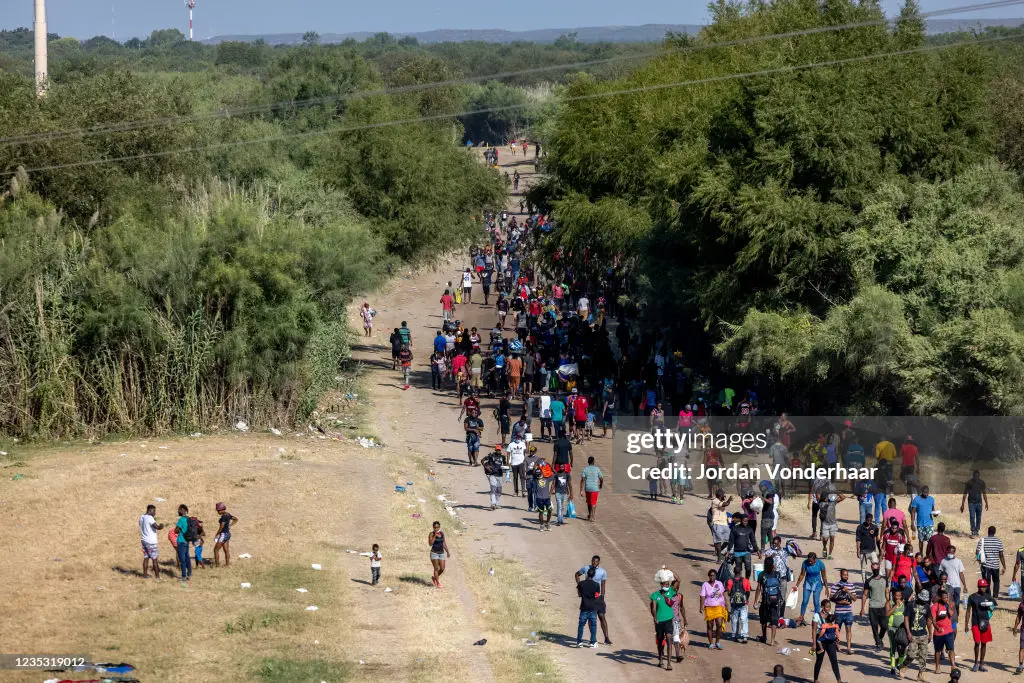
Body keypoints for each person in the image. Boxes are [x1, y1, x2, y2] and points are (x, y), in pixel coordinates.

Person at [575, 556, 612, 644]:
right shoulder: (586, 568)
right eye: (593, 561)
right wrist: (580, 585)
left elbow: (603, 584)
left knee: (602, 616)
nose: (594, 563)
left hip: (598, 597)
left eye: (596, 562)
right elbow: (577, 574)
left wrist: (602, 596)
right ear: (591, 561)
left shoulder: (602, 571)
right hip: (589, 598)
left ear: (599, 562)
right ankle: (593, 639)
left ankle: (606, 638)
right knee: (590, 618)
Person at [964, 578, 995, 672]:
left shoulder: (988, 597)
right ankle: (976, 663)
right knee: (977, 643)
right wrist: (966, 624)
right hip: (975, 623)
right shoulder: (972, 597)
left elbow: (993, 607)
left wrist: (990, 607)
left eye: (984, 587)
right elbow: (968, 611)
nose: (983, 588)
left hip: (985, 623)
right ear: (978, 587)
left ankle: (981, 664)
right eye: (981, 587)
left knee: (984, 643)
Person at [652, 568, 680, 669]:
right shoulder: (655, 595)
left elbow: (678, 580)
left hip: (669, 621)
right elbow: (653, 608)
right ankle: (660, 659)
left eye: (668, 583)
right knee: (660, 643)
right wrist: (655, 618)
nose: (667, 585)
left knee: (669, 639)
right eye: (665, 583)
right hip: (659, 622)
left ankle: (668, 663)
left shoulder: (671, 592)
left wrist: (669, 571)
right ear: (661, 584)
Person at [754, 556, 784, 646]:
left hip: (765, 601)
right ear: (773, 565)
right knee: (774, 620)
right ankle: (772, 640)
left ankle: (764, 637)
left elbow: (759, 588)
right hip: (775, 600)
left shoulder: (762, 574)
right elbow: (780, 586)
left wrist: (755, 601)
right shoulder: (778, 574)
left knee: (763, 619)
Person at [811, 599, 843, 682]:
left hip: (830, 640)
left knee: (834, 660)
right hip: (821, 639)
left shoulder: (831, 614)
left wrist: (836, 639)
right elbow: (814, 630)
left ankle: (839, 680)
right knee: (819, 660)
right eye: (827, 607)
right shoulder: (816, 616)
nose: (828, 609)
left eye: (829, 607)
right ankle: (815, 680)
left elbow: (833, 627)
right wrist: (814, 644)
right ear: (822, 607)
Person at [795, 551, 829, 626]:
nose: (810, 562)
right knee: (805, 601)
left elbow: (824, 576)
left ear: (815, 559)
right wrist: (796, 585)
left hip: (817, 584)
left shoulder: (820, 564)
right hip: (807, 583)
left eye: (811, 561)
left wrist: (826, 587)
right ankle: (801, 618)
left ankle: (816, 620)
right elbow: (802, 575)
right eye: (809, 561)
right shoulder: (805, 563)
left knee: (816, 602)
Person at [860, 562, 888, 651]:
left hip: (883, 606)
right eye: (874, 569)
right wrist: (862, 608)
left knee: (884, 626)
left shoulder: (884, 579)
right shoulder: (869, 581)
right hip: (873, 607)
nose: (876, 571)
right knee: (874, 626)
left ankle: (879, 638)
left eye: (877, 569)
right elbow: (865, 595)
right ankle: (879, 643)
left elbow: (887, 592)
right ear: (872, 570)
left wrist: (889, 604)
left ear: (879, 569)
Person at [905, 589, 932, 682]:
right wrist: (908, 632)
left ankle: (921, 674)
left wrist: (930, 633)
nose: (924, 601)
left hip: (923, 634)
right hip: (913, 634)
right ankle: (904, 665)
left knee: (923, 656)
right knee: (911, 655)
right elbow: (906, 618)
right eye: (922, 599)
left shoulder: (927, 607)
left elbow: (928, 620)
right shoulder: (911, 605)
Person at [830, 569, 857, 654]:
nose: (846, 576)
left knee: (848, 629)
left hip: (848, 611)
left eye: (847, 575)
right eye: (844, 575)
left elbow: (855, 598)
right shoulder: (835, 586)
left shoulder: (851, 586)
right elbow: (831, 598)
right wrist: (840, 602)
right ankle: (836, 646)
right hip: (838, 611)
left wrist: (847, 591)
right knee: (837, 630)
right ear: (840, 575)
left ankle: (848, 647)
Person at [930, 588, 957, 674]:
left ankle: (953, 665)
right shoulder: (934, 607)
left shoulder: (948, 605)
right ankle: (937, 667)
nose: (946, 599)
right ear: (940, 598)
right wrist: (937, 628)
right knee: (938, 651)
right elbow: (933, 620)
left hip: (949, 632)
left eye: (947, 597)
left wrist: (948, 605)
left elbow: (951, 614)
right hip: (938, 633)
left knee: (951, 649)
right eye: (944, 598)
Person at [726, 513, 761, 579]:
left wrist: (757, 551)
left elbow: (753, 541)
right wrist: (728, 551)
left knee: (748, 568)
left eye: (747, 521)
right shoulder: (735, 529)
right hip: (737, 553)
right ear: (741, 520)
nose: (746, 522)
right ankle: (739, 583)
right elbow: (731, 541)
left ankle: (746, 581)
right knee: (738, 569)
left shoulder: (749, 529)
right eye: (744, 521)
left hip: (747, 552)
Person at [976, 526, 1006, 600]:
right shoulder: (998, 541)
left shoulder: (982, 540)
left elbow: (977, 552)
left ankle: (987, 596)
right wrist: (1004, 566)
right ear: (994, 532)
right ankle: (995, 596)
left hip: (985, 566)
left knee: (986, 581)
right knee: (996, 581)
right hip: (995, 566)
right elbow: (1001, 555)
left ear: (988, 531)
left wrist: (980, 560)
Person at [700, 568, 727, 650]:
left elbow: (723, 594)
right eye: (711, 576)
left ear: (716, 576)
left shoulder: (719, 584)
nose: (712, 577)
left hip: (718, 606)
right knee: (710, 625)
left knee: (719, 624)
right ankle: (711, 643)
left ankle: (717, 642)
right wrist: (701, 606)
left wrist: (726, 605)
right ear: (708, 576)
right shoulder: (705, 584)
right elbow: (702, 596)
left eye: (714, 575)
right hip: (709, 606)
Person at [576, 566, 602, 649]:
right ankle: (592, 642)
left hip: (584, 607)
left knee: (581, 625)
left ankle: (579, 642)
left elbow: (579, 594)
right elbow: (597, 596)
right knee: (593, 625)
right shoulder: (597, 585)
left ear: (587, 574)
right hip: (593, 608)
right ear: (593, 575)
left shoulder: (581, 584)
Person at [940, 545, 967, 622]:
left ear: (954, 552)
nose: (950, 553)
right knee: (947, 602)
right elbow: (941, 573)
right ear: (947, 551)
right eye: (949, 552)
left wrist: (964, 585)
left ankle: (956, 617)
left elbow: (961, 573)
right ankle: (947, 617)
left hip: (956, 586)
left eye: (952, 552)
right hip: (947, 585)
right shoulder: (943, 561)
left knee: (957, 603)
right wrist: (942, 585)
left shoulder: (958, 561)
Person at [887, 584, 909, 676]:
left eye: (899, 595)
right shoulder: (889, 603)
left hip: (901, 629)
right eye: (896, 595)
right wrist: (896, 606)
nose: (898, 597)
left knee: (902, 647)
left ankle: (899, 664)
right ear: (893, 595)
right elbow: (887, 613)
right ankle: (892, 666)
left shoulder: (905, 604)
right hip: (892, 628)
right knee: (893, 647)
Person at [138, 504, 165, 579]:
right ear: (150, 510)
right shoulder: (150, 518)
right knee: (154, 559)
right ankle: (157, 577)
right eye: (154, 511)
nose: (155, 513)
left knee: (146, 557)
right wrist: (162, 526)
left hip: (144, 540)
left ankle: (145, 575)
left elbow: (141, 525)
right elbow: (157, 527)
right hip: (151, 542)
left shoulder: (141, 517)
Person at [960, 470, 988, 538]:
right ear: (973, 476)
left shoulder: (982, 483)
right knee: (972, 516)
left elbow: (984, 493)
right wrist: (962, 504)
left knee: (979, 517)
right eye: (975, 476)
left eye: (977, 476)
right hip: (971, 502)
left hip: (979, 503)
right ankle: (973, 531)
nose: (976, 478)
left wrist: (986, 503)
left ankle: (977, 531)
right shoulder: (969, 483)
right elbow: (965, 494)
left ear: (979, 476)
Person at [909, 486, 936, 555]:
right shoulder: (916, 499)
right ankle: (921, 554)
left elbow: (933, 509)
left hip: (929, 524)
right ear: (921, 492)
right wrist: (912, 523)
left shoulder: (931, 499)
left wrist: (935, 514)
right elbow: (913, 511)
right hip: (920, 524)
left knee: (930, 541)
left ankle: (929, 555)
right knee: (920, 540)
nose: (926, 494)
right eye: (925, 493)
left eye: (927, 493)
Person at [726, 572, 752, 643]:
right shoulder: (746, 581)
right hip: (744, 604)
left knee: (735, 620)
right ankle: (745, 636)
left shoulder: (730, 581)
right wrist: (746, 599)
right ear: (740, 573)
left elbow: (728, 592)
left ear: (734, 572)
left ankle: (735, 636)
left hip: (734, 604)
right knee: (744, 619)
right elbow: (748, 591)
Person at [855, 512, 881, 584]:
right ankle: (865, 585)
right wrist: (858, 550)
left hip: (872, 551)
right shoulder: (860, 527)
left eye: (870, 520)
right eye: (868, 520)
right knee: (863, 570)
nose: (869, 522)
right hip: (863, 552)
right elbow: (858, 539)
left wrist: (880, 550)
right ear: (865, 519)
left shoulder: (874, 527)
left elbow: (877, 539)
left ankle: (877, 583)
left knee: (877, 567)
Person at [708, 488, 733, 561]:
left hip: (724, 524)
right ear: (720, 495)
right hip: (717, 523)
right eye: (723, 494)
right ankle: (719, 558)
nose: (724, 495)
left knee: (729, 540)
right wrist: (729, 499)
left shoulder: (720, 500)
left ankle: (720, 553)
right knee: (718, 541)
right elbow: (726, 504)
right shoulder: (715, 501)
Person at [212, 502, 237, 568]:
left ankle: (217, 566)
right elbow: (235, 519)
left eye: (218, 510)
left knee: (216, 550)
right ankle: (227, 565)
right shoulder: (228, 514)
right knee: (226, 550)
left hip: (223, 534)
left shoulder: (223, 516)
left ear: (222, 509)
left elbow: (221, 527)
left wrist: (216, 534)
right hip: (228, 534)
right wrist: (230, 525)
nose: (217, 512)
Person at [579, 456, 604, 521]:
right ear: (593, 462)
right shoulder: (597, 469)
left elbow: (582, 480)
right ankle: (592, 516)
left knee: (589, 502)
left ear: (588, 462)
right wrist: (600, 485)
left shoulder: (585, 469)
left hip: (587, 488)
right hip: (595, 488)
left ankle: (590, 514)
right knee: (594, 503)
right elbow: (601, 478)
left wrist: (581, 490)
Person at [482, 445, 505, 510]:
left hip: (500, 475)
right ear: (495, 450)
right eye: (497, 450)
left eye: (499, 450)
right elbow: (482, 460)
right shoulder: (491, 456)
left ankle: (497, 504)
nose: (498, 451)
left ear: (500, 450)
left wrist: (505, 469)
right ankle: (493, 503)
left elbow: (505, 465)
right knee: (493, 488)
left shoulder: (503, 457)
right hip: (492, 475)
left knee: (499, 490)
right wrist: (486, 467)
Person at [428, 521, 450, 588]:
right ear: (433, 527)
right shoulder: (431, 534)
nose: (436, 529)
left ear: (439, 527)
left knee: (442, 568)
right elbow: (430, 544)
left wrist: (447, 551)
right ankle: (438, 583)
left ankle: (434, 578)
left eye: (437, 527)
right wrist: (435, 535)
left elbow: (443, 543)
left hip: (441, 553)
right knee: (436, 568)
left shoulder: (442, 533)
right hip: (434, 553)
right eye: (435, 527)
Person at [535, 459, 554, 531]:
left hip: (546, 498)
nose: (539, 475)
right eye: (538, 474)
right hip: (539, 498)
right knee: (541, 512)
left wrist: (548, 464)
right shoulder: (535, 480)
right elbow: (534, 470)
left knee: (550, 510)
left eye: (540, 474)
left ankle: (548, 523)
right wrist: (537, 462)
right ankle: (541, 525)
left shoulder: (547, 479)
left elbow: (554, 473)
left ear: (542, 473)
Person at [174, 504, 193, 582]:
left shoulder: (181, 520)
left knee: (182, 559)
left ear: (182, 510)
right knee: (187, 557)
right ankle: (189, 573)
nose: (178, 511)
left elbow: (176, 530)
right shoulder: (189, 519)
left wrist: (177, 529)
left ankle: (183, 576)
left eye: (179, 510)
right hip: (187, 541)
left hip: (181, 541)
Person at [1011, 593, 1024, 674]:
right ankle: (1020, 666)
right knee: (1022, 647)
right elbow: (1019, 616)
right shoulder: (1022, 605)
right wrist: (1015, 627)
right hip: (1023, 629)